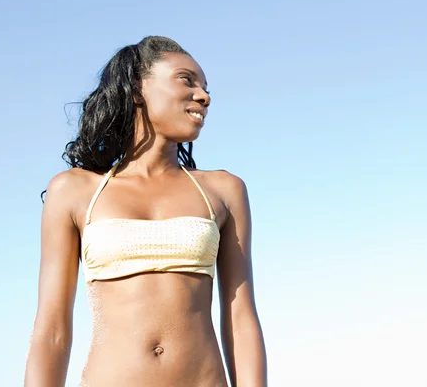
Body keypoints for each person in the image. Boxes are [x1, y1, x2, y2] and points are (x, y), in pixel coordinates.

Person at [24, 36, 267, 387]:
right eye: (187, 80)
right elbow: (51, 331)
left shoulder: (224, 191)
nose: (204, 96)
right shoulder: (75, 191)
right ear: (138, 88)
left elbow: (241, 319)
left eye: (206, 88)